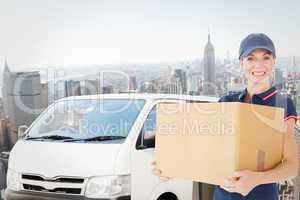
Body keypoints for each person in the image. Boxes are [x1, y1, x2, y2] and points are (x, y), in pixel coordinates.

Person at [152, 33, 299, 200]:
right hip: (222, 196)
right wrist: (171, 168)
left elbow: (291, 166)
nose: (258, 65)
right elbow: (205, 150)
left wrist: (256, 179)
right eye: (250, 58)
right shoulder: (227, 102)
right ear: (241, 63)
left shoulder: (282, 103)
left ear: (274, 61)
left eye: (266, 57)